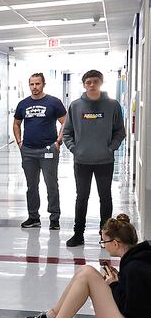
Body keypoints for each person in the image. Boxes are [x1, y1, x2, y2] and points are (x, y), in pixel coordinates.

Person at [20, 214, 151, 318]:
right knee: (84, 271)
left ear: (115, 243)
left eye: (103, 242)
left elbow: (133, 310)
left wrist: (114, 285)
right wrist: (118, 282)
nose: (103, 246)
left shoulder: (134, 268)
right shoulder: (136, 260)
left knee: (88, 274)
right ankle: (52, 316)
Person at [62, 70, 126, 247]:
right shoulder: (75, 106)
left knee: (105, 197)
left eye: (95, 81)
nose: (92, 85)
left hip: (105, 161)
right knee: (81, 197)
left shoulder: (113, 105)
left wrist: (110, 148)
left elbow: (120, 131)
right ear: (83, 84)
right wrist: (76, 150)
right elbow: (67, 133)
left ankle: (105, 236)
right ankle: (78, 234)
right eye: (88, 82)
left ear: (101, 83)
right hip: (82, 162)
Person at [13, 73, 67, 230]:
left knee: (51, 184)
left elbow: (65, 121)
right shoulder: (23, 104)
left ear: (43, 84)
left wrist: (58, 141)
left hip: (48, 149)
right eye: (32, 84)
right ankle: (33, 217)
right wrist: (19, 142)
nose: (34, 87)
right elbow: (16, 123)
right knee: (31, 186)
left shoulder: (53, 102)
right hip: (28, 150)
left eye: (37, 84)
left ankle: (54, 217)